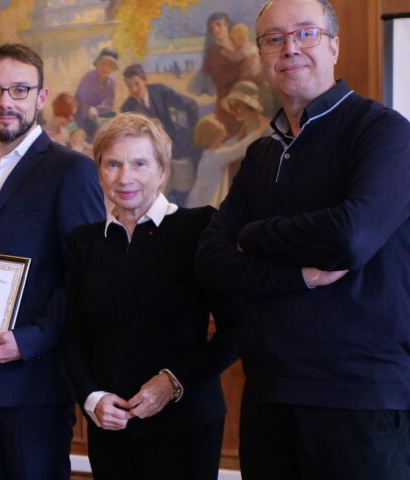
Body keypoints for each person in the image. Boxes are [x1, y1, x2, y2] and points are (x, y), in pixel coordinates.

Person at [196, 1, 410, 478]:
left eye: (305, 33)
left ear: (334, 45)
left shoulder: (384, 132)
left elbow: (350, 237)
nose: (290, 48)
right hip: (268, 395)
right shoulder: (259, 155)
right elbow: (212, 258)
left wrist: (252, 234)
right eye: (274, 39)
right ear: (261, 55)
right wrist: (298, 275)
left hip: (360, 400)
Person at [0, 43, 105, 479]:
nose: (5, 102)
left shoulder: (71, 170)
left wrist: (31, 339)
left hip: (34, 382)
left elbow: (86, 275)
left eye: (19, 90)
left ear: (40, 97)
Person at [62, 112, 238, 480]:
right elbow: (72, 334)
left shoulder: (199, 229)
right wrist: (91, 398)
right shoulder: (84, 242)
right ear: (99, 171)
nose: (125, 177)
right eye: (113, 164)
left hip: (186, 427)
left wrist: (172, 382)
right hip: (110, 427)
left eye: (139, 163)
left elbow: (236, 331)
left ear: (162, 169)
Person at [185, 82, 271, 208]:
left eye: (237, 106)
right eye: (232, 106)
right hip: (213, 197)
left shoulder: (267, 130)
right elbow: (235, 149)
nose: (234, 110)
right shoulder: (238, 137)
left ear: (250, 106)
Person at [120, 63, 199, 162]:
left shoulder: (160, 91)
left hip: (178, 147)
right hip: (154, 154)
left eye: (137, 84)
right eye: (129, 86)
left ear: (144, 81)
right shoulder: (127, 108)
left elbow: (190, 105)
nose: (134, 90)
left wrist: (191, 134)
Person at [75, 47, 119, 139]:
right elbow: (80, 104)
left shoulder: (112, 82)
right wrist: (90, 110)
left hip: (97, 117)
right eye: (103, 63)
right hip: (81, 117)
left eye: (110, 65)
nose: (105, 68)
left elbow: (109, 106)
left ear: (113, 68)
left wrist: (96, 110)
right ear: (98, 64)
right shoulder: (87, 79)